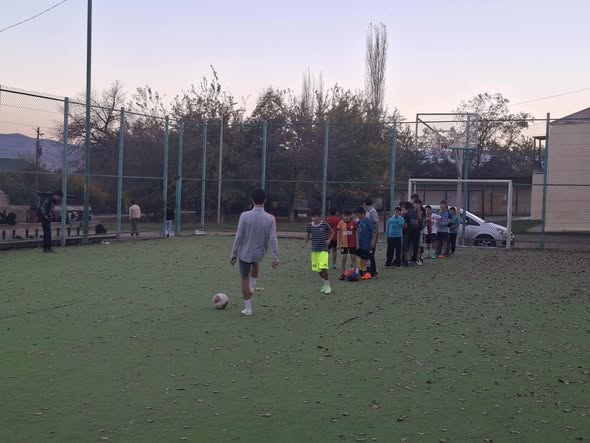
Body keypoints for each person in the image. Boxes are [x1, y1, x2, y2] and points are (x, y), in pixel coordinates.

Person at [231, 188, 280, 316]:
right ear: (265, 200)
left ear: (252, 200)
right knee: (255, 262)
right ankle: (253, 285)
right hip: (260, 253)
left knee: (244, 277)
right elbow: (273, 238)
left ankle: (248, 308)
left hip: (245, 253)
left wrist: (234, 253)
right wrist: (275, 257)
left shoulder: (244, 216)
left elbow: (239, 236)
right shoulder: (270, 218)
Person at [303, 207, 333, 294]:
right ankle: (324, 284)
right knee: (318, 269)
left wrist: (329, 240)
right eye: (312, 217)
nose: (314, 218)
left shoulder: (324, 224)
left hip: (323, 249)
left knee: (323, 267)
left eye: (315, 216)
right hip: (314, 250)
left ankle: (328, 285)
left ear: (319, 216)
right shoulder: (309, 226)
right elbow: (308, 236)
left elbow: (332, 232)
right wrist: (304, 243)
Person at [336, 210, 358, 279]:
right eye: (345, 216)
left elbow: (356, 234)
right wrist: (338, 244)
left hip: (352, 244)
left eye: (348, 216)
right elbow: (338, 234)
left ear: (351, 216)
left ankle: (355, 274)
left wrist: (358, 244)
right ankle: (343, 274)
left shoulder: (354, 223)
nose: (346, 217)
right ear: (343, 216)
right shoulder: (340, 223)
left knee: (353, 259)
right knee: (343, 259)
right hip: (344, 244)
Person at [357, 206, 378, 278]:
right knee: (363, 257)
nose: (357, 216)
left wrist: (373, 241)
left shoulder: (368, 221)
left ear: (363, 213)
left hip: (368, 244)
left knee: (370, 257)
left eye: (358, 215)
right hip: (362, 244)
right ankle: (365, 271)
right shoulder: (360, 222)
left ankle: (374, 272)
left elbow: (374, 231)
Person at [362, 197, 379, 277]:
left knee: (371, 253)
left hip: (372, 235)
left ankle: (374, 271)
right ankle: (369, 269)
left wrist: (374, 237)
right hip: (368, 236)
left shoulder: (372, 211)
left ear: (365, 204)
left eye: (363, 204)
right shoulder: (368, 212)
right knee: (367, 253)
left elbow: (376, 223)